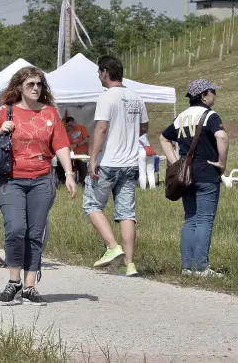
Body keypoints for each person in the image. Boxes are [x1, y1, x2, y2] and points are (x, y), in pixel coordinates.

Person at [0, 67, 77, 306]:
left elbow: (62, 145)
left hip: (42, 179)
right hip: (11, 179)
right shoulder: (6, 110)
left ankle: (30, 285)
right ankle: (13, 280)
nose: (36, 88)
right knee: (15, 229)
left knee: (35, 233)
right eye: (30, 84)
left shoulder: (50, 113)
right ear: (19, 87)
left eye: (39, 84)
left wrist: (68, 173)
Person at [85, 56, 149, 277]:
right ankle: (130, 264)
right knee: (126, 213)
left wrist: (93, 157)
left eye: (99, 74)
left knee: (92, 204)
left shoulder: (106, 97)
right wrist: (127, 135)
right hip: (130, 163)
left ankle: (112, 247)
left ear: (104, 72)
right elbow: (144, 127)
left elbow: (101, 128)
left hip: (108, 162)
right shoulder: (136, 97)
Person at [159, 79, 229, 278]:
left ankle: (187, 267)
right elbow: (222, 137)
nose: (214, 95)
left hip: (186, 176)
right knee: (205, 220)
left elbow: (164, 137)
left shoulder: (181, 117)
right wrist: (222, 163)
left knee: (190, 219)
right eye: (213, 91)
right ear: (205, 95)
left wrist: (175, 163)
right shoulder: (210, 115)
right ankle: (201, 267)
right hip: (207, 173)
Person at [65, 116, 90, 180]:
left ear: (74, 121)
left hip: (83, 152)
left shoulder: (82, 127)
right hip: (74, 154)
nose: (70, 127)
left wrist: (76, 145)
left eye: (71, 125)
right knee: (74, 167)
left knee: (82, 167)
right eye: (69, 126)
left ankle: (83, 183)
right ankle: (78, 182)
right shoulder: (70, 132)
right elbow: (69, 144)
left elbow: (86, 139)